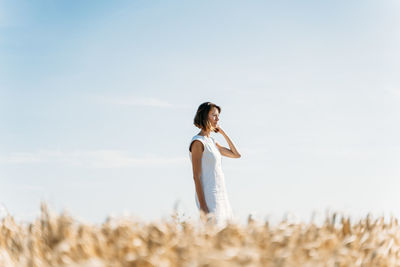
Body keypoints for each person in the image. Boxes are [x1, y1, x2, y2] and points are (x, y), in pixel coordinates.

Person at [188, 102, 241, 228]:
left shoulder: (212, 142)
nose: (217, 118)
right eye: (214, 115)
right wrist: (203, 207)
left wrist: (222, 132)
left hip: (221, 193)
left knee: (227, 233)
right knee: (214, 232)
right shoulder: (198, 142)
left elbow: (236, 154)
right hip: (209, 196)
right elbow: (196, 176)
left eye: (218, 116)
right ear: (205, 116)